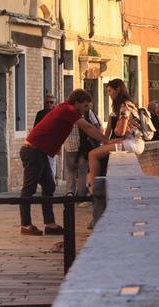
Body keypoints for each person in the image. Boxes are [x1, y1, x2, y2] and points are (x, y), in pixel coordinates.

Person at [21, 89, 107, 235]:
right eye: (85, 106)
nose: (86, 110)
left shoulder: (65, 108)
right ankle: (26, 225)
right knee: (29, 189)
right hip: (33, 151)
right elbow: (87, 127)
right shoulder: (68, 109)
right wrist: (106, 141)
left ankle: (50, 224)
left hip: (39, 152)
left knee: (49, 186)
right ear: (77, 102)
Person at [86, 79, 147, 193]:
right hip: (134, 141)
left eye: (110, 91)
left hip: (132, 143)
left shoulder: (125, 106)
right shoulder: (129, 104)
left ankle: (94, 190)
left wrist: (116, 131)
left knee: (92, 154)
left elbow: (120, 132)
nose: (109, 95)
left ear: (117, 89)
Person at [63, 104, 102, 199]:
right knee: (82, 171)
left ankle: (69, 193)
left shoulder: (66, 112)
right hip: (83, 146)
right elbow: (97, 126)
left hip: (70, 145)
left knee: (71, 170)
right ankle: (81, 196)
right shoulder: (88, 112)